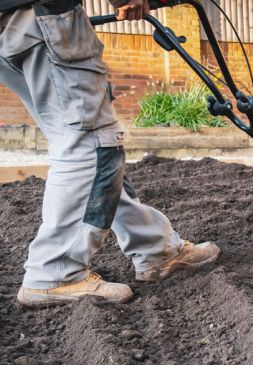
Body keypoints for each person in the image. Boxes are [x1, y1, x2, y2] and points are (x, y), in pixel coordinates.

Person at [0, 0, 220, 308]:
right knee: (93, 146)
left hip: (14, 24)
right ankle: (54, 271)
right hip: (42, 16)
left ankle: (155, 248)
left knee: (80, 145)